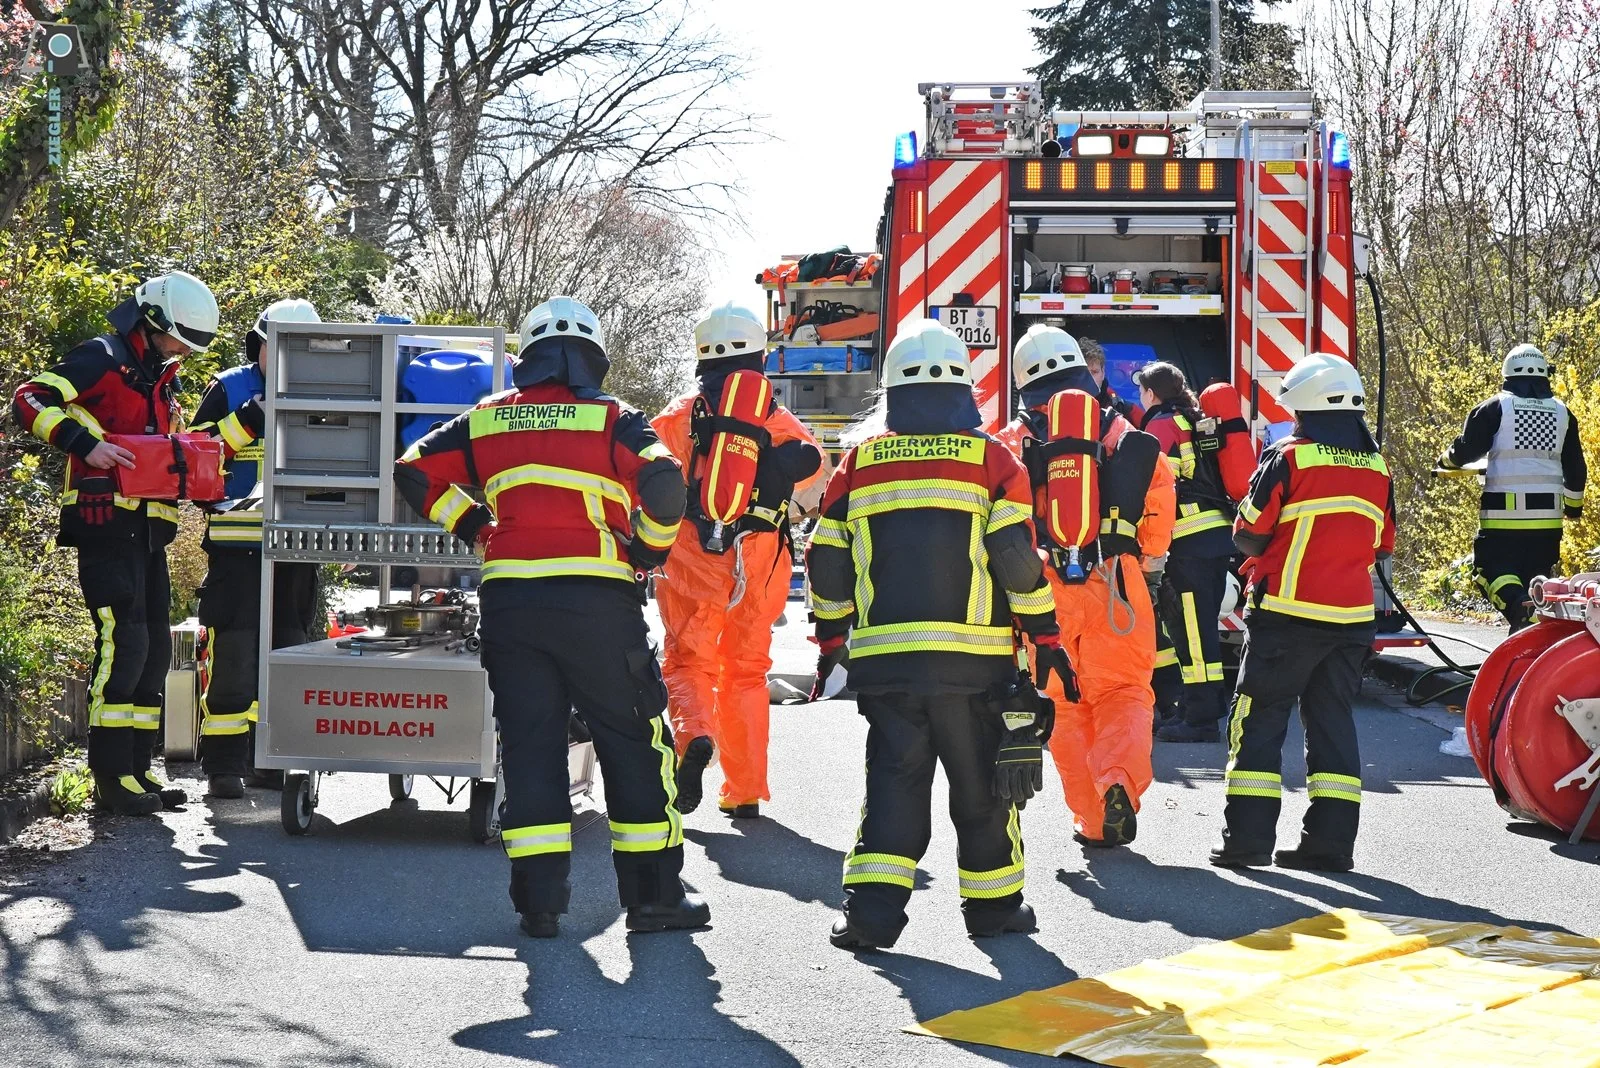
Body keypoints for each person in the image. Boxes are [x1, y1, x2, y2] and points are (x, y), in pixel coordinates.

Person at [394, 296, 708, 939]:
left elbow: (413, 470)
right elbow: (666, 484)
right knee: (633, 746)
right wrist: (647, 550)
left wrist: (477, 524)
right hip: (596, 604)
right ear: (591, 352)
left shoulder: (486, 420)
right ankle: (653, 900)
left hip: (512, 607)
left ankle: (539, 905)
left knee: (532, 748)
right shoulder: (612, 418)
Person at [809, 319, 1068, 951]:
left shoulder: (860, 462)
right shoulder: (991, 459)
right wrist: (1046, 633)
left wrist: (832, 638)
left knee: (893, 786)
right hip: (975, 667)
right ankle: (994, 912)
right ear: (965, 386)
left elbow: (825, 555)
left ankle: (870, 920)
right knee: (983, 791)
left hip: (888, 668)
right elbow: (1014, 555)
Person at [12, 271, 220, 815]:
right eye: (179, 339)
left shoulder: (159, 375)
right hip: (104, 526)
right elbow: (29, 398)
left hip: (149, 531)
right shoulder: (102, 358)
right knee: (122, 645)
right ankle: (109, 778)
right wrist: (86, 447)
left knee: (151, 648)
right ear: (152, 324)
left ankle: (137, 770)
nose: (183, 351)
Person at [1211, 353, 1395, 873]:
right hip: (1352, 621)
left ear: (1307, 408)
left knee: (1259, 721)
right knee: (1333, 723)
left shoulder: (1290, 458)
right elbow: (1382, 543)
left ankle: (1246, 843)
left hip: (1288, 616)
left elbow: (1247, 530)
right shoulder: (1378, 468)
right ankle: (1329, 846)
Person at [997, 326, 1175, 848]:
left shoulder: (1014, 438)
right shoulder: (1120, 430)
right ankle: (1119, 780)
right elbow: (1159, 507)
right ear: (1081, 371)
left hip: (1042, 588)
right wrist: (1144, 565)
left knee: (1065, 703)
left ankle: (1092, 819)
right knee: (1124, 692)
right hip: (1117, 581)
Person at [652, 303, 823, 818]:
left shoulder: (677, 417)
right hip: (763, 562)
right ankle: (744, 790)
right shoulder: (777, 417)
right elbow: (814, 486)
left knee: (688, 661)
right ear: (760, 354)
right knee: (747, 671)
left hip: (692, 560)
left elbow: (646, 485)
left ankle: (694, 738)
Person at [188, 298, 324, 798]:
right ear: (259, 345)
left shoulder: (330, 392)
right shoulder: (230, 387)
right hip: (237, 546)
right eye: (278, 347)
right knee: (235, 654)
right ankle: (225, 764)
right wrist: (248, 419)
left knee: (287, 649)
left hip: (298, 546)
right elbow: (191, 451)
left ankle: (273, 759)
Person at [1437, 344, 1586, 631]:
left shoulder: (1497, 407)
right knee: (1537, 581)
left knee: (1489, 570)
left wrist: (1446, 460)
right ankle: (1528, 644)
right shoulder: (1562, 413)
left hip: (1504, 521)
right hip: (1547, 525)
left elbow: (1466, 451)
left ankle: (1519, 608)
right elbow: (1576, 469)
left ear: (1507, 374)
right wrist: (1573, 508)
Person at [1136, 362, 1235, 743]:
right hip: (1213, 535)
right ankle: (1203, 707)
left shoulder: (1161, 424)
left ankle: (1201, 718)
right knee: (1202, 628)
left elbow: (1157, 486)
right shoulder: (1193, 419)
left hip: (1188, 540)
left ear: (1152, 393)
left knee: (1193, 633)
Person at [1081, 336, 1144, 424]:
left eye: (1094, 372)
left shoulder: (1126, 411)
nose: (1090, 378)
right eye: (1084, 373)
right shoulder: (1057, 406)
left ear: (1103, 373)